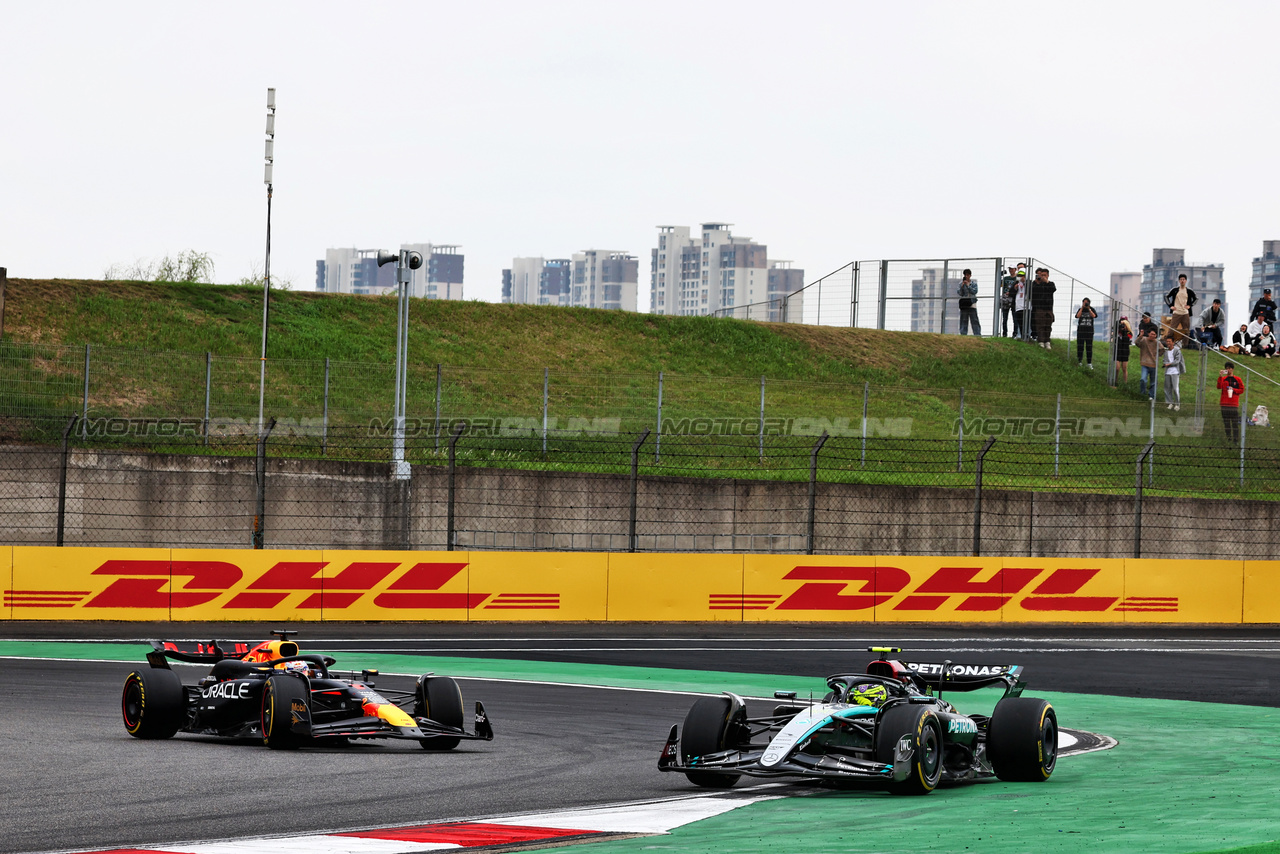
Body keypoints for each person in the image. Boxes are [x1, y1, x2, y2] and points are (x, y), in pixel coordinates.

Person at [1164, 273, 1197, 344]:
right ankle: (1168, 344)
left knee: (1186, 330)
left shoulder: (1189, 291)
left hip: (1185, 313)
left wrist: (1190, 305)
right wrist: (1170, 306)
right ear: (1179, 281)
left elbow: (1196, 299)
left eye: (1184, 279)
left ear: (1186, 281)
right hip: (1176, 312)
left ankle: (1185, 346)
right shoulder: (1175, 290)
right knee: (1171, 330)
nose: (1182, 281)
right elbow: (1166, 297)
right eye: (1181, 279)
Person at [1217, 361, 1244, 443]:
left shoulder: (1238, 379)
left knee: (1234, 423)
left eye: (1229, 368)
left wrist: (1234, 390)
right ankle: (1229, 438)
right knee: (1226, 422)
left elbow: (1242, 390)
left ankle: (1235, 439)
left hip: (1233, 404)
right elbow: (1219, 387)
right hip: (1224, 403)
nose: (1228, 370)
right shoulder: (1224, 379)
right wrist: (1220, 376)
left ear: (1232, 369)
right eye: (1226, 368)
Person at [1030, 267, 1056, 349]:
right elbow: (1033, 291)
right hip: (1039, 308)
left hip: (1049, 308)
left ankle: (1047, 341)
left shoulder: (1051, 284)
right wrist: (1037, 282)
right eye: (1042, 275)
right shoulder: (1037, 284)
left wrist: (1046, 282)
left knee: (1048, 326)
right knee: (1040, 325)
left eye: (1044, 275)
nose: (1043, 277)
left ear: (1048, 275)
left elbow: (1053, 289)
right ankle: (1041, 341)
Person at [1162, 334, 1185, 410]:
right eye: (1167, 341)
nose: (1168, 343)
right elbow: (1164, 360)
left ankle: (1177, 404)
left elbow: (1177, 361)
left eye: (1169, 341)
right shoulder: (1166, 352)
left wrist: (1169, 364)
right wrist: (1166, 364)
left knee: (1175, 388)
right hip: (1167, 372)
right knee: (1167, 388)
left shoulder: (1177, 350)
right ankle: (1170, 402)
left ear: (1173, 342)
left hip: (1175, 372)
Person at [1075, 297, 1097, 368]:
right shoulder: (1080, 309)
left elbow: (1094, 316)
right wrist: (1082, 308)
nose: (1085, 304)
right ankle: (1079, 361)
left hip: (1089, 332)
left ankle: (1089, 363)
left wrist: (1089, 309)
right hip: (1081, 331)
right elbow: (1077, 316)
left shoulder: (1092, 309)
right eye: (1084, 302)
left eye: (1086, 303)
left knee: (1089, 347)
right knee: (1080, 346)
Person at [957, 268, 980, 336]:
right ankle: (963, 333)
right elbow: (960, 293)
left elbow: (974, 291)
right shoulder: (961, 283)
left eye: (967, 275)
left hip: (972, 302)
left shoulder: (973, 283)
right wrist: (962, 286)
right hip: (964, 303)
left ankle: (977, 334)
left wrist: (968, 285)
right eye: (965, 275)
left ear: (970, 275)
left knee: (974, 319)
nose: (966, 276)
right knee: (963, 319)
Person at [1137, 328, 1159, 400]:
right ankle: (1142, 393)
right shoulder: (1144, 340)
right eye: (1152, 334)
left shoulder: (1157, 342)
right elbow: (1137, 343)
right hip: (1145, 363)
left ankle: (1151, 395)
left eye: (1154, 334)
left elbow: (1162, 349)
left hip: (1153, 364)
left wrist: (1157, 355)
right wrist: (1140, 336)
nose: (1153, 336)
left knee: (1153, 382)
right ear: (1149, 334)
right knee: (1143, 379)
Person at [999, 266, 1018, 337]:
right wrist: (1000, 276)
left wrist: (1011, 292)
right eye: (1010, 269)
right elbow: (1000, 285)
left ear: (1015, 269)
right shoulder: (1006, 278)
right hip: (1005, 298)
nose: (1011, 270)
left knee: (1015, 318)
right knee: (1004, 317)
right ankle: (1004, 333)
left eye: (1012, 269)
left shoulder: (1017, 278)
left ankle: (1015, 333)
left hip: (1014, 298)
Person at [1114, 315, 1132, 385]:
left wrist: (1125, 331)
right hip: (1118, 350)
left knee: (1124, 368)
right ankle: (1115, 381)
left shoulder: (1129, 332)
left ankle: (1125, 383)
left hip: (1125, 350)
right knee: (1117, 368)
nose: (1122, 326)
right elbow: (1115, 327)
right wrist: (1119, 324)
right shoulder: (1117, 331)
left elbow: (1128, 339)